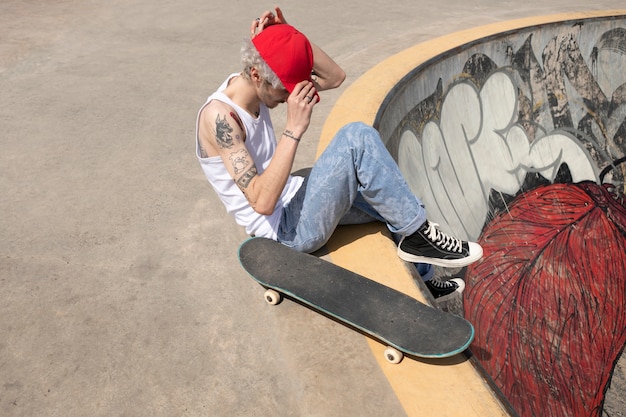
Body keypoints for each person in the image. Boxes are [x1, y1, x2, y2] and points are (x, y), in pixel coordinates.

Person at [195, 7, 483, 300]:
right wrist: (293, 129)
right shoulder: (221, 119)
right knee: (355, 138)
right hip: (285, 231)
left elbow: (334, 76)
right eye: (285, 90)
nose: (289, 97)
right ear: (257, 75)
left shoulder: (257, 78)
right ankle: (420, 237)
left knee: (389, 193)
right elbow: (262, 202)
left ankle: (423, 276)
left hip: (294, 197)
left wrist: (292, 39)